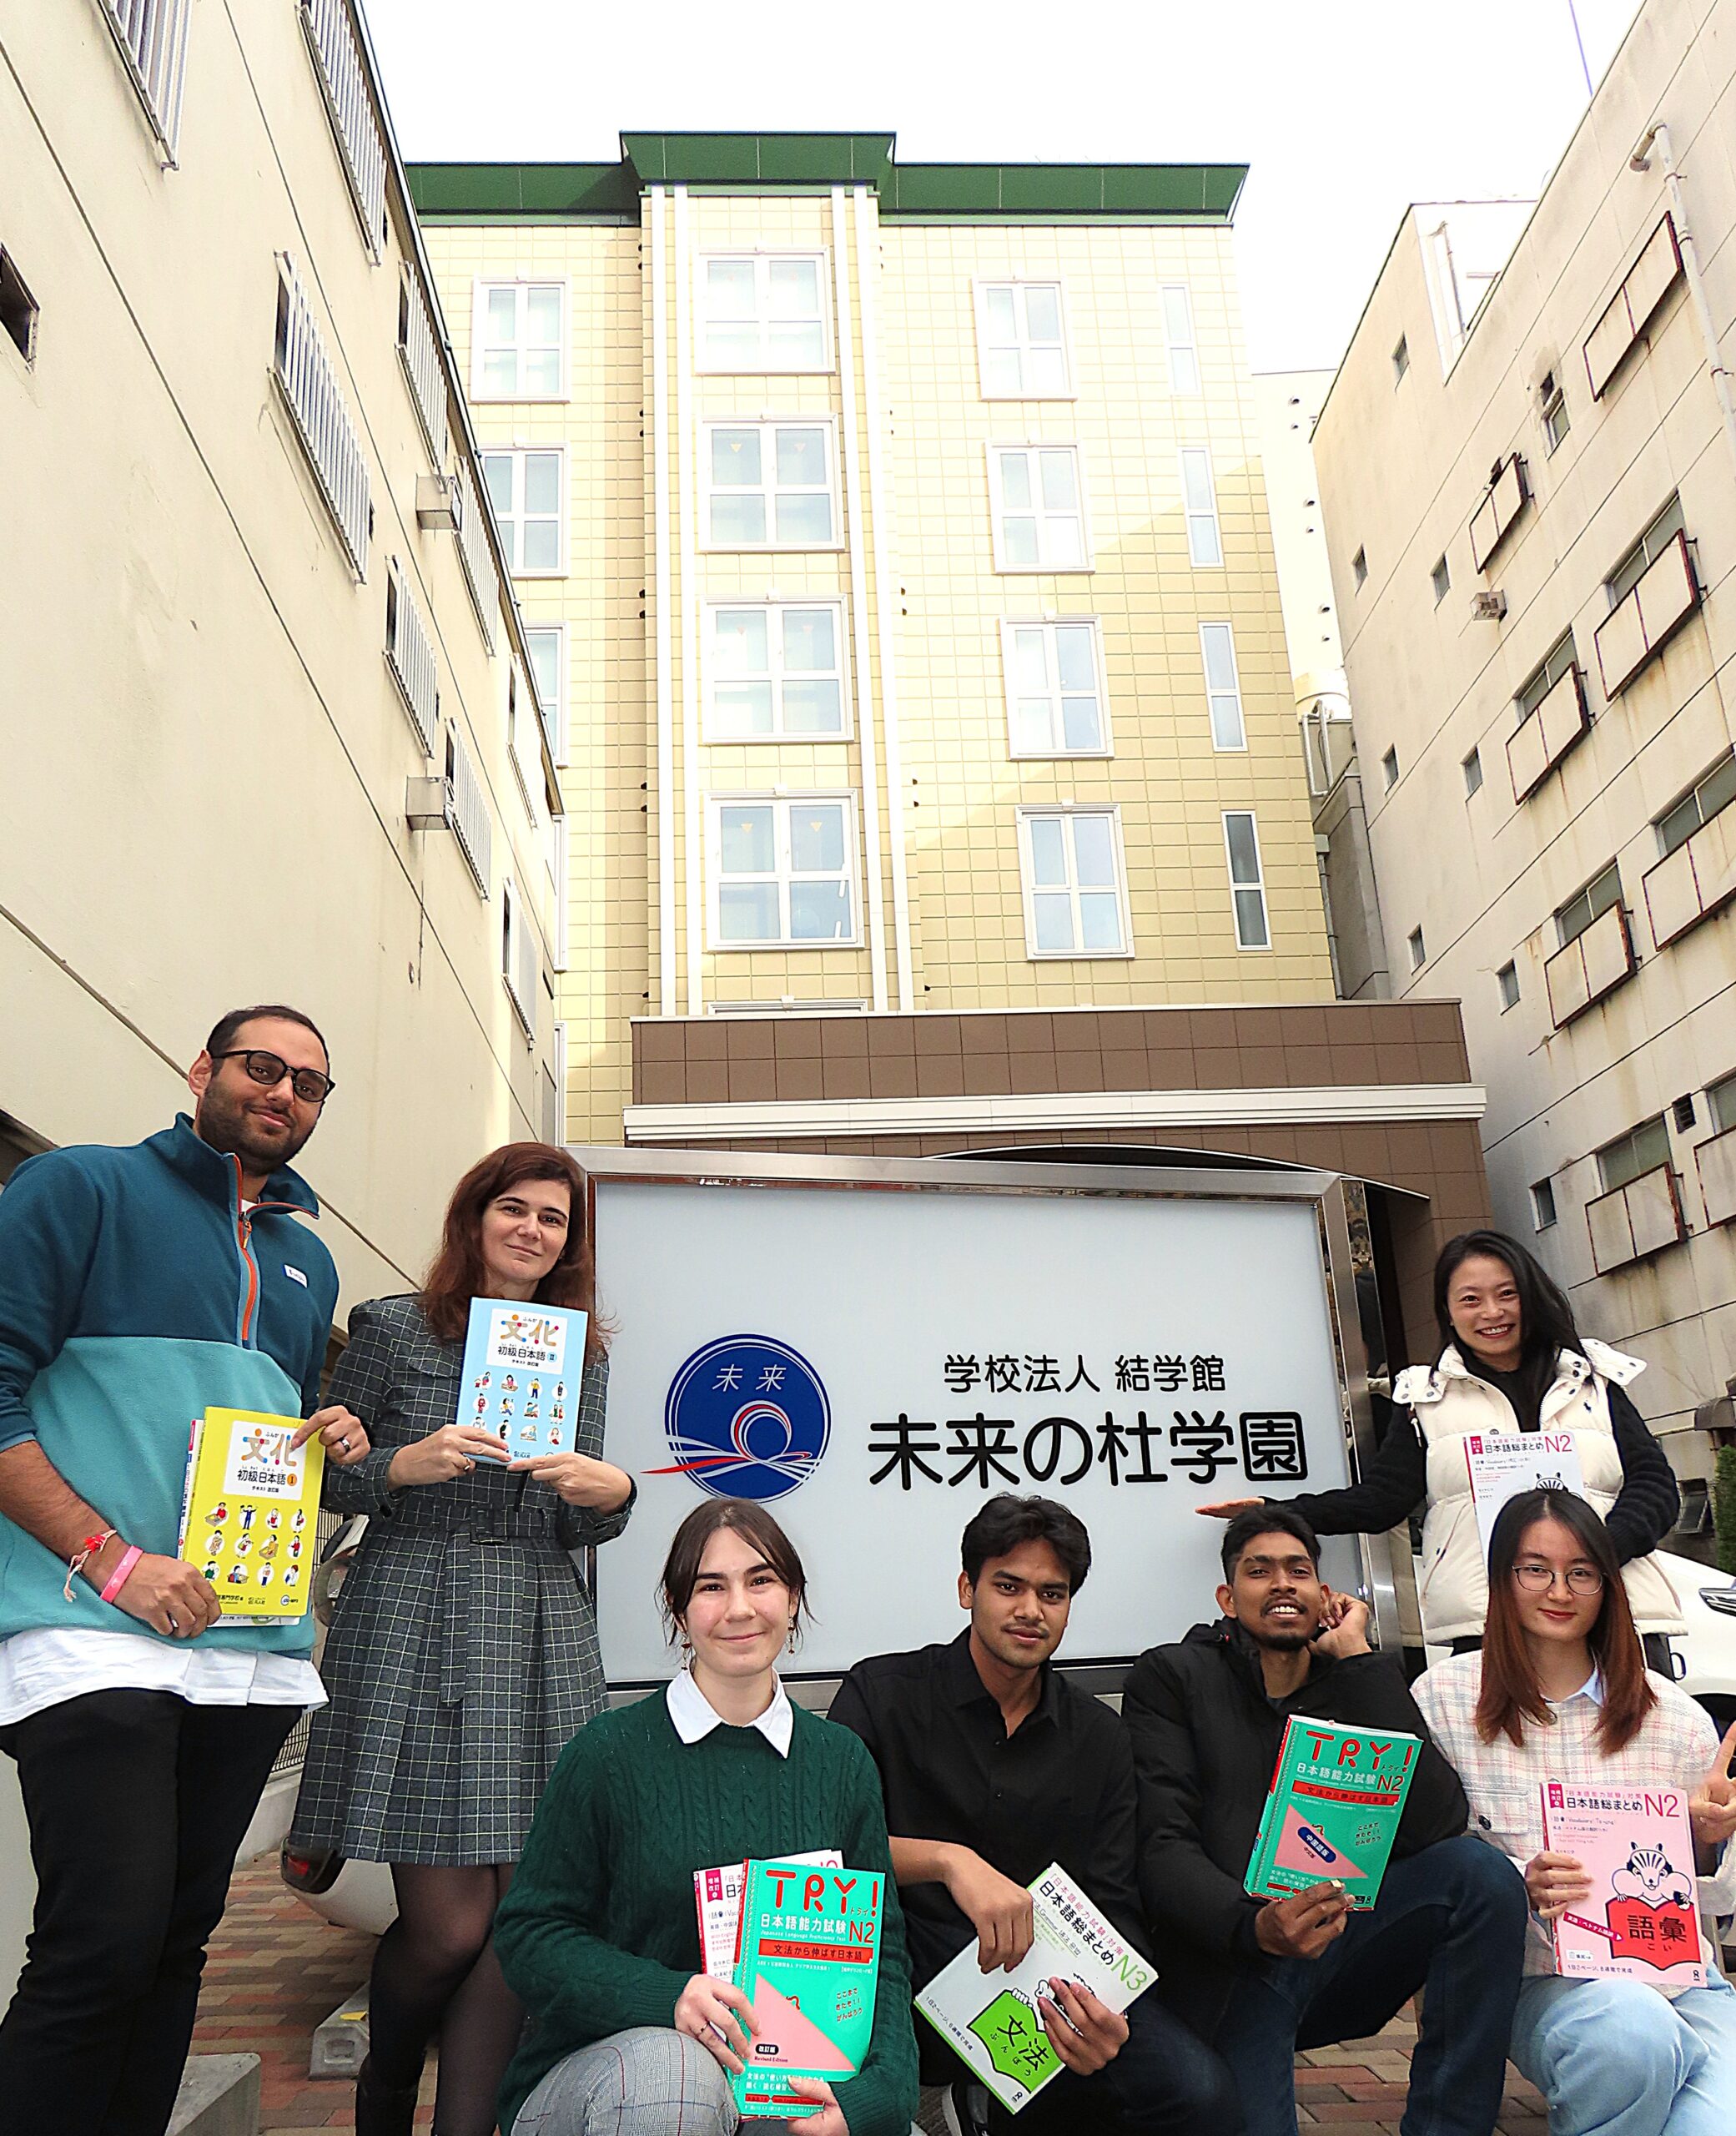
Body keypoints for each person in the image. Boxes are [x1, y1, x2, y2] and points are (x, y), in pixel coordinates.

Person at [0, 1005, 371, 2136]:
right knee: (100, 1944)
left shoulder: (310, 1259)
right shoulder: (81, 1189)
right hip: (88, 1626)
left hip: (244, 1649)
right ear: (203, 1066)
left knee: (173, 1947)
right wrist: (113, 1561)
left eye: (310, 1082)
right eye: (263, 1066)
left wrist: (326, 1432)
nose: (284, 1093)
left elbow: (257, 1431)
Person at [288, 1142, 633, 2136]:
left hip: (536, 1622)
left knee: (525, 1920)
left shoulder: (578, 1350)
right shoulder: (395, 1327)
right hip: (417, 1609)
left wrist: (611, 1492)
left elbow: (580, 1513)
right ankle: (387, 2084)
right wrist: (403, 1462)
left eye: (553, 1218)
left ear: (570, 1241)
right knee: (447, 1929)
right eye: (513, 1208)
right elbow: (325, 1470)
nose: (531, 1229)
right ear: (473, 1216)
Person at [491, 1497, 919, 2136]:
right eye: (711, 1587)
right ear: (678, 1611)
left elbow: (881, 1954)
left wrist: (874, 2100)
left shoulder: (840, 1763)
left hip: (781, 2084)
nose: (739, 1608)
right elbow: (530, 1936)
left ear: (793, 1599)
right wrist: (665, 1997)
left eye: (761, 1581)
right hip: (611, 2080)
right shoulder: (608, 1754)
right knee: (678, 2076)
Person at [829, 1494, 1240, 2136]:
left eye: (1052, 1594)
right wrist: (949, 1862)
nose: (1030, 1610)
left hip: (1044, 1984)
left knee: (1200, 2093)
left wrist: (1108, 2008)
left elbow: (1112, 1897)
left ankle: (975, 2106)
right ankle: (955, 2100)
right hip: (901, 1969)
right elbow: (829, 1848)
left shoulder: (1098, 1734)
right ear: (966, 1589)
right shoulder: (882, 1696)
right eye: (1008, 1586)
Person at [1125, 1504, 1527, 2136]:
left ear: (1324, 1597)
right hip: (1233, 1958)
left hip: (1335, 1942)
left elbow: (1438, 1823)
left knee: (1479, 1873)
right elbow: (1161, 1843)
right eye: (1259, 1571)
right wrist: (1254, 1927)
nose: (1282, 1584)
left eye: (1299, 1571)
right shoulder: (1174, 1676)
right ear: (1227, 1599)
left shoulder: (1352, 1680)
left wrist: (1359, 1659)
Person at [1197, 1228, 1684, 1664]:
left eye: (1507, 1295)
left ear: (1531, 1298)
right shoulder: (1424, 1398)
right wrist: (1277, 1510)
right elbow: (1381, 1500)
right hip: (1488, 1623)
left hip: (1617, 1616)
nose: (1491, 1313)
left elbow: (1655, 1486)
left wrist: (1594, 1554)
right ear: (1447, 1312)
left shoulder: (1593, 1379)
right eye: (1470, 1299)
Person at [1416, 1489, 1736, 2136]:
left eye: (1581, 1572)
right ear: (1501, 1578)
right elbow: (1429, 1862)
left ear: (1607, 1584)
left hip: (1681, 1983)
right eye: (1535, 1569)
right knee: (1629, 2036)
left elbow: (1712, 1900)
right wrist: (1515, 1881)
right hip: (1537, 1980)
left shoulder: (1673, 1717)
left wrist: (1704, 1840)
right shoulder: (1443, 1702)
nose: (1559, 1591)